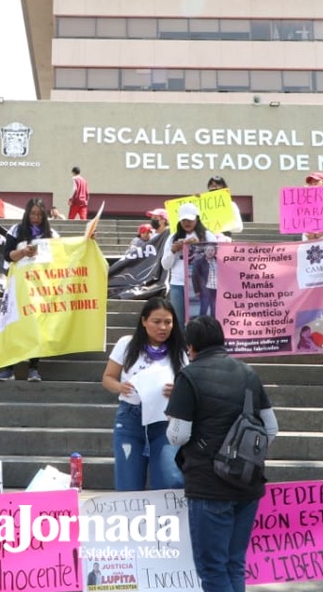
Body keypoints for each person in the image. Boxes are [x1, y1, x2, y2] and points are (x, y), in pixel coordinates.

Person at [166, 316, 278, 592]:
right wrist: (243, 457)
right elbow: (271, 428)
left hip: (208, 486)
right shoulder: (248, 373)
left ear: (190, 346)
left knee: (213, 568)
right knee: (234, 563)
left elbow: (178, 435)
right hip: (248, 483)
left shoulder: (189, 376)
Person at [102, 297, 187, 491]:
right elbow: (108, 378)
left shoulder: (178, 351)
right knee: (128, 485)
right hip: (130, 419)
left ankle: (167, 521)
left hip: (165, 421)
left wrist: (178, 390)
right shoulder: (127, 344)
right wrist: (120, 387)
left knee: (169, 480)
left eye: (168, 322)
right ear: (144, 321)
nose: (163, 327)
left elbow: (188, 385)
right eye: (157, 322)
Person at [0, 198, 60, 382]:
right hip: (18, 286)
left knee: (36, 326)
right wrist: (23, 252)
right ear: (27, 213)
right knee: (13, 324)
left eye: (39, 214)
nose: (36, 218)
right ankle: (8, 368)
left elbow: (62, 255)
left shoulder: (52, 234)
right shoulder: (16, 230)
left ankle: (33, 368)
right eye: (33, 214)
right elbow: (8, 255)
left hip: (41, 287)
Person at [160, 203, 218, 327]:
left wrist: (199, 246)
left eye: (190, 219)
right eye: (184, 220)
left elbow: (217, 259)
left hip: (203, 285)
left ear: (197, 219)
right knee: (179, 322)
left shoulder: (208, 236)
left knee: (201, 321)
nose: (187, 223)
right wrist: (173, 250)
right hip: (178, 284)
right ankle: (182, 346)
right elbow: (165, 265)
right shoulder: (173, 238)